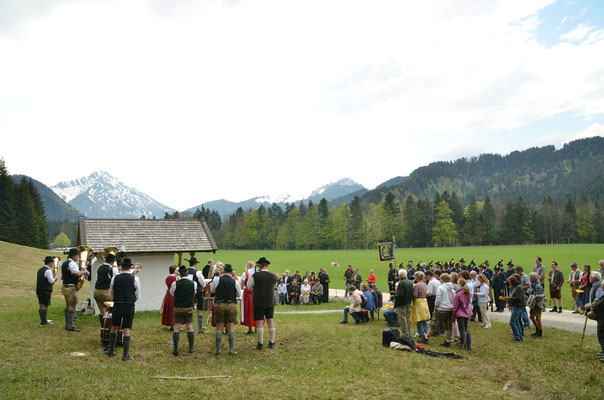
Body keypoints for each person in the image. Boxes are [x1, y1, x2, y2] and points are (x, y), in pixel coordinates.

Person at [106, 258, 140, 361]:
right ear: (130, 267)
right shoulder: (135, 278)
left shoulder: (115, 278)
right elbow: (138, 295)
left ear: (121, 267)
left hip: (118, 304)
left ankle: (111, 351)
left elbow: (111, 292)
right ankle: (125, 355)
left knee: (114, 327)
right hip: (129, 305)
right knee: (126, 329)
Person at [247, 257, 278, 350]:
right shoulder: (273, 276)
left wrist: (250, 276)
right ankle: (272, 342)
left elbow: (248, 286)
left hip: (258, 302)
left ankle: (260, 344)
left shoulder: (255, 276)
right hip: (269, 301)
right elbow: (275, 286)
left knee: (260, 322)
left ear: (259, 266)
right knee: (270, 321)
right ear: (267, 265)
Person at [211, 263, 242, 355]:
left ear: (224, 271)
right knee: (230, 327)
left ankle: (218, 350)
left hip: (220, 304)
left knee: (219, 327)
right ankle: (231, 349)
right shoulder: (235, 281)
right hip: (231, 304)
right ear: (231, 271)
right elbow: (238, 294)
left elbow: (212, 290)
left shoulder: (217, 280)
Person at [417, 273, 455, 347]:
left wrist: (435, 308)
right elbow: (454, 298)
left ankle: (426, 338)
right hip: (450, 308)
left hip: (441, 308)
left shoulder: (441, 288)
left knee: (434, 324)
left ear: (443, 280)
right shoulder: (452, 288)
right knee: (448, 326)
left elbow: (438, 299)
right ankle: (448, 341)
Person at [61, 248, 90, 332]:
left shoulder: (64, 263)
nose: (78, 257)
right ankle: (70, 326)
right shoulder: (72, 263)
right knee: (72, 305)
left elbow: (62, 277)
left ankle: (68, 325)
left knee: (67, 305)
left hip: (65, 286)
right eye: (77, 256)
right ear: (74, 256)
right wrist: (85, 272)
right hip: (71, 287)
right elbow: (77, 273)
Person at [169, 266, 196, 356]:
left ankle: (176, 349)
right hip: (189, 307)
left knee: (176, 328)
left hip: (178, 307)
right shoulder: (193, 283)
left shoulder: (175, 283)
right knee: (189, 327)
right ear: (187, 274)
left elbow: (172, 293)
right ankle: (191, 348)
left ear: (179, 274)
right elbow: (194, 292)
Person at [94, 254, 119, 328]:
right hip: (105, 292)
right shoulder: (112, 269)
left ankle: (103, 327)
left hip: (96, 291)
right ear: (113, 261)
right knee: (113, 307)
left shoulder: (99, 267)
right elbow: (116, 279)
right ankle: (110, 326)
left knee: (102, 311)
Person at [185, 257, 207, 334]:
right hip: (198, 293)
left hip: (188, 293)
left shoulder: (186, 272)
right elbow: (203, 284)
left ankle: (192, 329)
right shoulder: (198, 273)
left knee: (190, 310)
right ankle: (200, 329)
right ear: (195, 264)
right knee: (200, 310)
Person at [585, 280, 604, 362]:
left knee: (601, 334)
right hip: (600, 317)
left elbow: (599, 304)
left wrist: (592, 306)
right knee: (601, 334)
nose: (601, 287)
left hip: (602, 318)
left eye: (603, 286)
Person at [390, 269, 413, 335]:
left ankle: (405, 333)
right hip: (408, 302)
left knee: (402, 318)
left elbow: (400, 294)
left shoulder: (401, 283)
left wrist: (393, 296)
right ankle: (408, 331)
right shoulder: (410, 282)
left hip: (402, 302)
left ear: (400, 276)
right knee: (407, 317)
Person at [37, 256, 58, 325]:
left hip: (39, 289)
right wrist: (55, 279)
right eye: (53, 263)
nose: (53, 265)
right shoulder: (48, 271)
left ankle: (44, 319)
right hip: (45, 290)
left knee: (41, 304)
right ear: (50, 263)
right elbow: (51, 281)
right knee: (44, 305)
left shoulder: (40, 270)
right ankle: (43, 321)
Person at [452, 278, 472, 350]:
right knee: (467, 329)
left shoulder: (458, 294)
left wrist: (453, 317)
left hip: (460, 313)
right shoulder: (468, 293)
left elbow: (455, 307)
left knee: (462, 330)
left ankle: (463, 344)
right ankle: (469, 345)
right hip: (467, 312)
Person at [411, 271, 430, 339]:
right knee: (424, 318)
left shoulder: (417, 285)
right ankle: (425, 331)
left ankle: (420, 333)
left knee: (418, 319)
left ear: (417, 277)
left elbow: (415, 295)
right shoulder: (425, 284)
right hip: (424, 301)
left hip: (418, 302)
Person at [239, 261, 257, 334]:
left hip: (248, 294)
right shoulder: (256, 274)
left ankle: (250, 328)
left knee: (249, 310)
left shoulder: (245, 274)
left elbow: (242, 286)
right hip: (255, 293)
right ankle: (256, 327)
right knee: (255, 310)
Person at [527, 272, 545, 338]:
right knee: (531, 316)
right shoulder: (533, 285)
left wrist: (532, 301)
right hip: (533, 304)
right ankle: (537, 329)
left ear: (534, 278)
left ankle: (540, 332)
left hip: (537, 304)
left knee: (538, 318)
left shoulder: (538, 286)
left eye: (531, 277)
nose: (529, 278)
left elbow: (538, 297)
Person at [508, 275, 525, 342]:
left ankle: (517, 337)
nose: (509, 283)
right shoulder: (514, 287)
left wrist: (509, 298)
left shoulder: (518, 287)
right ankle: (519, 336)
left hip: (518, 306)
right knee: (516, 321)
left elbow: (518, 298)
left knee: (512, 322)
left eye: (510, 281)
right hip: (514, 306)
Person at [161, 265, 178, 330]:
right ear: (175, 270)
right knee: (174, 309)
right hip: (175, 294)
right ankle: (174, 325)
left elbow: (167, 284)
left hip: (168, 294)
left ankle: (171, 324)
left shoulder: (166, 277)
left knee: (169, 309)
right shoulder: (176, 278)